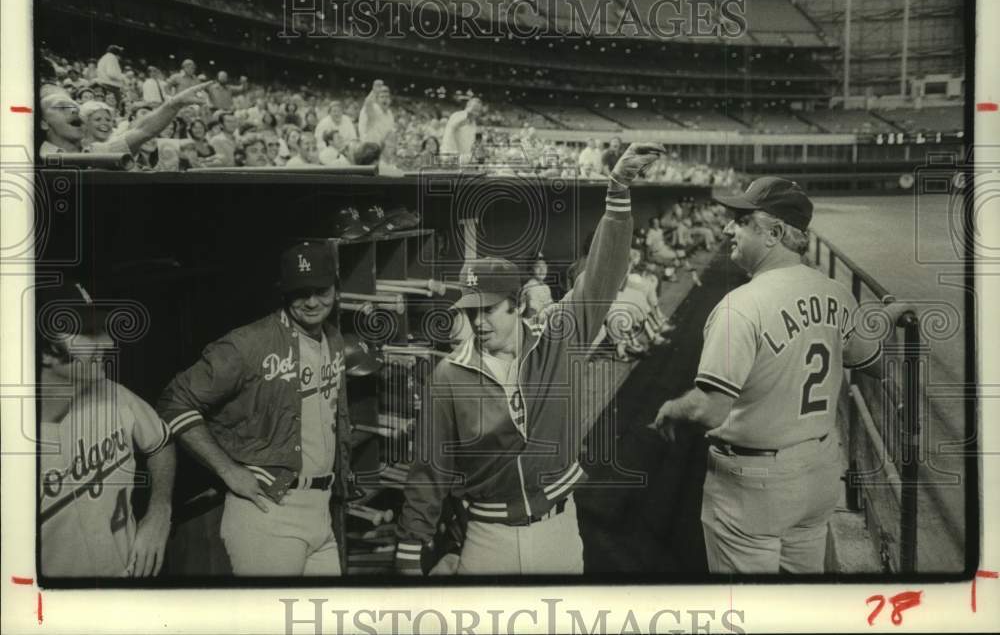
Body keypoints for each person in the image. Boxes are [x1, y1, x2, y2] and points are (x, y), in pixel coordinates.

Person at [395, 143, 665, 575]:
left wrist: (617, 192)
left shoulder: (556, 336)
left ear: (518, 306)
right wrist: (410, 550)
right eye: (469, 311)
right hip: (486, 537)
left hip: (558, 529)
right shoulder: (450, 374)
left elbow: (602, 277)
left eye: (488, 310)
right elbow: (430, 468)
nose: (477, 322)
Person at [653, 177, 910, 574]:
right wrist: (884, 318)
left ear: (774, 233)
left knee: (746, 614)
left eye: (740, 221)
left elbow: (709, 410)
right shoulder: (835, 293)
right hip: (820, 472)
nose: (727, 228)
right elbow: (872, 362)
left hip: (754, 486)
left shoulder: (739, 307)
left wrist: (672, 408)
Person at [157, 242, 352, 576]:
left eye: (321, 290)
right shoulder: (248, 344)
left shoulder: (332, 338)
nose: (312, 302)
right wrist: (228, 470)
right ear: (283, 292)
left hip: (320, 508)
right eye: (300, 292)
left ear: (335, 288)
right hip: (269, 511)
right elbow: (174, 401)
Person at [37, 279, 175, 577]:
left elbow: (161, 443)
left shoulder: (111, 393)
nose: (109, 343)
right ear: (45, 352)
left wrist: (160, 511)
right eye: (87, 333)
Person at [38, 82, 211, 159]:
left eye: (75, 106)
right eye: (62, 107)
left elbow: (143, 131)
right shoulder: (33, 159)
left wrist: (175, 103)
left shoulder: (95, 151)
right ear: (44, 122)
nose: (75, 109)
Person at [440, 96, 483, 163]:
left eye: (478, 111)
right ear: (467, 107)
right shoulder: (457, 115)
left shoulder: (473, 124)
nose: (476, 113)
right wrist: (469, 112)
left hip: (462, 160)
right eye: (474, 109)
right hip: (450, 158)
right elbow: (456, 124)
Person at [358, 81, 395, 146]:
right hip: (368, 146)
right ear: (377, 100)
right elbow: (368, 103)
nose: (385, 99)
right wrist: (374, 91)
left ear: (390, 100)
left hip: (381, 147)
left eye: (387, 97)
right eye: (382, 97)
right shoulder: (374, 109)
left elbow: (389, 133)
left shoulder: (390, 113)